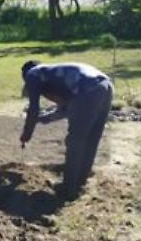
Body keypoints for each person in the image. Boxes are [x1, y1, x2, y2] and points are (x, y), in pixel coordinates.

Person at [19, 60, 114, 199]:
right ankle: (80, 182)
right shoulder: (56, 75)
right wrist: (42, 119)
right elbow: (67, 109)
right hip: (106, 86)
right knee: (91, 139)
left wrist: (26, 134)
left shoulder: (33, 74)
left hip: (88, 90)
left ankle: (68, 189)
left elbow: (34, 108)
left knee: (75, 141)